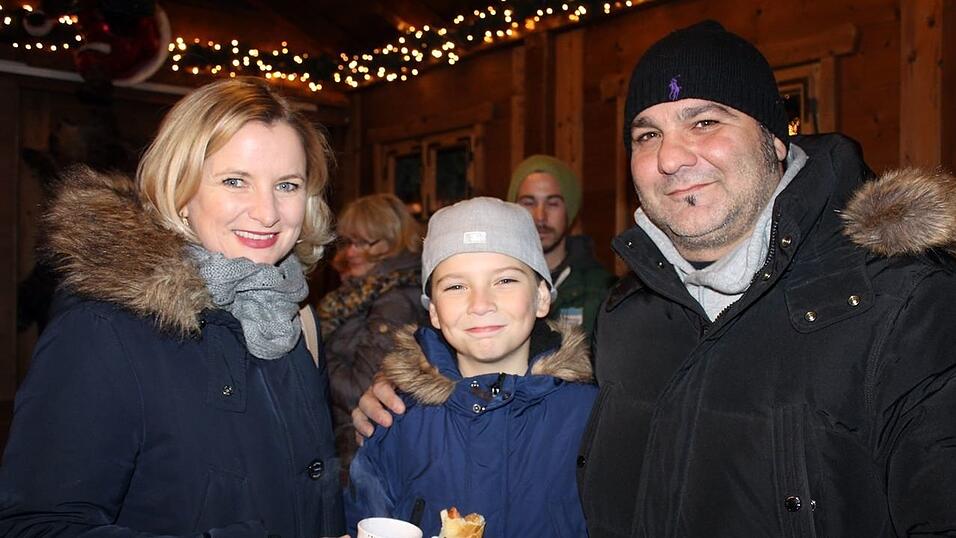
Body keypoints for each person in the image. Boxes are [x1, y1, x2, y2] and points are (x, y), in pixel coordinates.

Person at [354, 20, 956, 537]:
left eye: (703, 122)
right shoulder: (630, 317)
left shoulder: (905, 302)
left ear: (774, 137)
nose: (671, 157)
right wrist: (421, 390)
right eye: (648, 134)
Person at [0, 77, 346, 537]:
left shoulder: (292, 315)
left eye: (287, 184)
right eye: (234, 181)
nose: (267, 212)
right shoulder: (101, 330)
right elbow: (38, 525)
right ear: (180, 192)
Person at [345, 197, 596, 537]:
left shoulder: (590, 415)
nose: (480, 304)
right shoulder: (395, 416)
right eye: (456, 286)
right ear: (433, 310)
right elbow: (366, 514)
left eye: (505, 281)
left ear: (541, 297)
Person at [318, 193, 428, 469]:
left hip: (361, 454)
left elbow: (362, 389)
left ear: (393, 241)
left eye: (364, 243)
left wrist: (313, 351)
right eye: (349, 242)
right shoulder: (363, 292)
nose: (352, 252)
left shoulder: (395, 301)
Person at [508, 155, 615, 337]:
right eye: (529, 202)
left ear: (569, 210)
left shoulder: (602, 291)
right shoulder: (496, 282)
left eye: (552, 203)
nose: (540, 217)